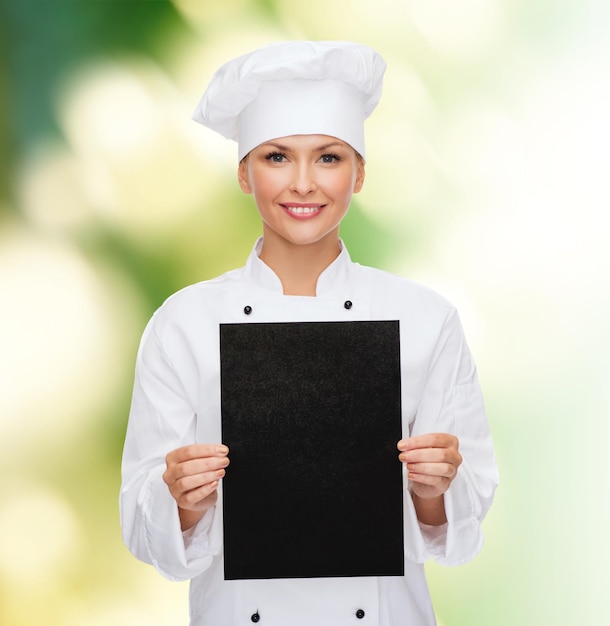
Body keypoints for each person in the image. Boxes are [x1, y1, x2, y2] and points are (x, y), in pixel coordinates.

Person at [120, 40, 498, 626]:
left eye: (328, 157)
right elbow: (144, 534)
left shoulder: (425, 318)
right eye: (276, 157)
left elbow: (458, 531)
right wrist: (180, 497)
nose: (302, 184)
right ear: (244, 173)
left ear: (361, 172)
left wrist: (433, 487)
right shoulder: (184, 323)